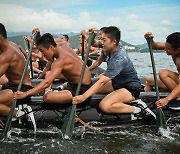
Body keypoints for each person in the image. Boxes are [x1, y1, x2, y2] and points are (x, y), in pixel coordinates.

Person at [73, 26, 155, 117]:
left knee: (104, 106)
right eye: (102, 40)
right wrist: (93, 35)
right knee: (89, 88)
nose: (102, 43)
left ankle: (138, 108)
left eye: (104, 40)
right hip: (116, 84)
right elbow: (94, 43)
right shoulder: (110, 46)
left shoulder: (119, 58)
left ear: (114, 41)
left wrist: (83, 97)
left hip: (130, 88)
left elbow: (102, 81)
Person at [14, 29, 92, 105]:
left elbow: (46, 82)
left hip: (82, 89)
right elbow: (46, 41)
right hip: (76, 82)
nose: (42, 55)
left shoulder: (60, 61)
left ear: (51, 48)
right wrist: (38, 36)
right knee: (49, 74)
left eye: (42, 51)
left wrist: (26, 94)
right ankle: (59, 88)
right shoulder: (62, 43)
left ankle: (53, 91)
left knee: (47, 97)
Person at [0, 23, 36, 131]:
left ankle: (21, 114)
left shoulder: (7, 54)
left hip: (21, 89)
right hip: (13, 85)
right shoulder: (11, 45)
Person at [144, 32, 180, 108]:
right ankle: (145, 105)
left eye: (168, 49)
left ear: (178, 50)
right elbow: (155, 46)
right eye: (165, 47)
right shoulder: (171, 46)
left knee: (163, 73)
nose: (165, 49)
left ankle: (178, 97)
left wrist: (167, 99)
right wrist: (150, 39)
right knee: (149, 80)